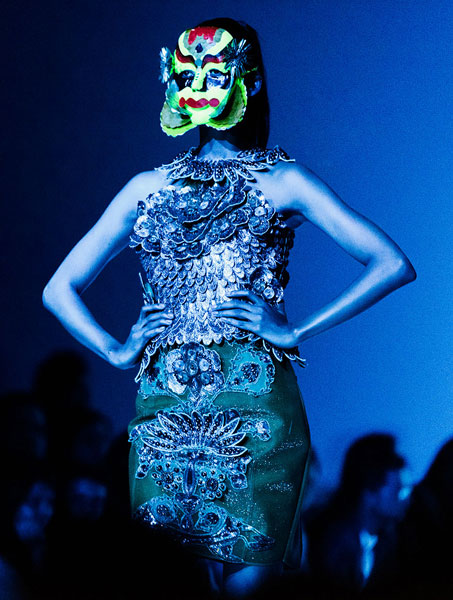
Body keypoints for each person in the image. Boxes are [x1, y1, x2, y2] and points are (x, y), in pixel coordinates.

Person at [42, 17, 416, 598]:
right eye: (186, 73)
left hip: (257, 408)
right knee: (172, 586)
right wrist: (116, 349)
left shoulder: (282, 181)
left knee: (248, 591)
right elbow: (58, 288)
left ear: (250, 79)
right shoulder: (148, 188)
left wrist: (296, 329)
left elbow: (391, 262)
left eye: (214, 71)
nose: (198, 85)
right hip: (164, 411)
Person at [305, 433, 409, 593]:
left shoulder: (390, 543)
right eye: (400, 490)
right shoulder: (327, 543)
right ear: (370, 490)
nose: (407, 498)